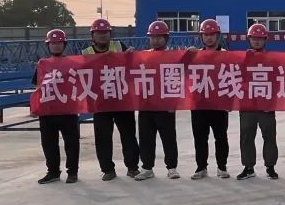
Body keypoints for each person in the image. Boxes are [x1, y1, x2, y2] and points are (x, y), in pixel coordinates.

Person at [82, 18, 139, 181]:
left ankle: (132, 167)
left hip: (122, 101)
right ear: (93, 35)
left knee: (128, 135)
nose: (102, 35)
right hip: (101, 103)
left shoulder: (120, 46)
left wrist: (132, 56)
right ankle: (108, 169)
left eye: (105, 32)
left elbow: (133, 68)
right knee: (103, 137)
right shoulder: (86, 53)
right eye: (98, 33)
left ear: (110, 34)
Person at [34, 29, 80, 184]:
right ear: (48, 45)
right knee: (49, 143)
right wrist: (35, 107)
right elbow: (37, 87)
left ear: (64, 44)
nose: (56, 45)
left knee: (71, 143)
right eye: (52, 43)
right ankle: (53, 171)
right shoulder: (43, 65)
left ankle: (72, 172)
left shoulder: (73, 64)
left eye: (59, 42)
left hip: (68, 110)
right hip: (48, 111)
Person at [136, 20, 179, 180]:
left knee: (169, 137)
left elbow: (178, 80)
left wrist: (174, 103)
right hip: (146, 104)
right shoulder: (143, 56)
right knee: (146, 138)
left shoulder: (173, 57)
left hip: (165, 105)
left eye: (159, 37)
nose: (156, 40)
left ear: (166, 38)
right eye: (153, 37)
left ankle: (172, 167)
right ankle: (147, 167)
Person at [189, 18, 230, 179]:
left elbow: (233, 77)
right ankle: (201, 167)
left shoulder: (226, 55)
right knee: (200, 138)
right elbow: (178, 70)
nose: (209, 38)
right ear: (201, 36)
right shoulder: (195, 55)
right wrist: (187, 55)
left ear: (218, 35)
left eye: (212, 34)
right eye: (206, 34)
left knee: (221, 137)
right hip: (199, 104)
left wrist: (229, 101)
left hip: (219, 104)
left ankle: (222, 167)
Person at [237, 23, 279, 180]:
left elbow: (277, 81)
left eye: (260, 38)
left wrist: (272, 102)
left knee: (269, 136)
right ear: (249, 39)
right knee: (247, 136)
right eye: (254, 38)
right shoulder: (242, 58)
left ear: (265, 40)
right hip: (248, 105)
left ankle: (270, 166)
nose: (256, 41)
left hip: (266, 105)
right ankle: (248, 167)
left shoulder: (272, 59)